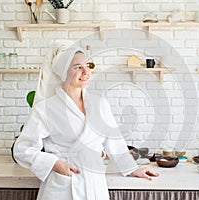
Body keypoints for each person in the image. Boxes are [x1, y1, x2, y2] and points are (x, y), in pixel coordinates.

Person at [14, 46, 158, 200]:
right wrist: (55, 164)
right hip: (63, 186)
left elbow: (115, 142)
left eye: (88, 66)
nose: (85, 71)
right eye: (78, 67)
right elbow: (22, 149)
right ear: (64, 72)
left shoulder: (100, 104)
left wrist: (132, 169)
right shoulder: (45, 109)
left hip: (95, 184)